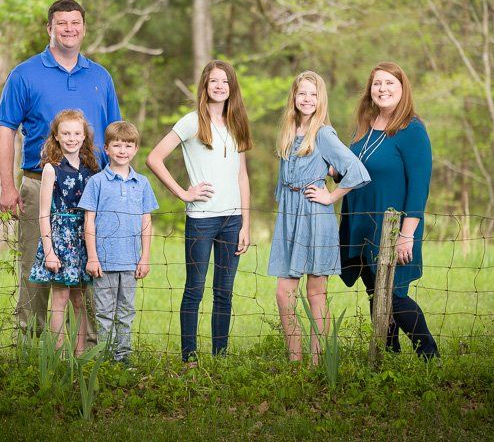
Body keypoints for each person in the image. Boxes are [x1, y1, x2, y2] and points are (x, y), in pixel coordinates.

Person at [0, 0, 121, 334]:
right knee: (34, 265)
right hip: (41, 184)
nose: (69, 29)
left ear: (83, 28)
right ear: (50, 28)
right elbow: (5, 129)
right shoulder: (24, 74)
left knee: (91, 264)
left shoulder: (100, 76)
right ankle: (31, 343)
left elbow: (114, 134)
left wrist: (115, 185)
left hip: (91, 186)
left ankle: (90, 348)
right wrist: (8, 187)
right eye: (62, 23)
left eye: (75, 22)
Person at [146, 60, 253, 364]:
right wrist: (183, 193)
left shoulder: (237, 124)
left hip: (232, 221)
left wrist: (245, 222)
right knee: (194, 289)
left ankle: (220, 358)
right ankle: (189, 358)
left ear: (232, 87)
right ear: (205, 86)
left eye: (225, 82)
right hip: (202, 221)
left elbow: (242, 175)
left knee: (224, 292)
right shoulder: (192, 121)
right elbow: (154, 158)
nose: (219, 87)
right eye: (213, 81)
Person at [338, 62, 440, 359]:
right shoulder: (365, 128)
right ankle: (389, 356)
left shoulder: (412, 130)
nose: (382, 89)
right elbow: (353, 168)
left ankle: (429, 355)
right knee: (375, 293)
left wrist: (406, 235)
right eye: (377, 84)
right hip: (361, 224)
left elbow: (419, 188)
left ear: (402, 88)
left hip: (394, 228)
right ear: (370, 91)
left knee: (394, 295)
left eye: (389, 83)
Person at [268, 70, 370, 363]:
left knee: (316, 292)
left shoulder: (323, 133)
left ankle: (316, 361)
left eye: (314, 94)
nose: (308, 99)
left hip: (315, 214)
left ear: (320, 99)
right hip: (290, 215)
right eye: (303, 93)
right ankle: (295, 358)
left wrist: (331, 195)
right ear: (294, 97)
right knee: (283, 292)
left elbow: (356, 170)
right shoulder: (288, 131)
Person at [78, 121, 159, 363]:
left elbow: (147, 222)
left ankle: (123, 358)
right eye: (117, 145)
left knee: (126, 312)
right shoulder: (97, 183)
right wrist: (92, 257)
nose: (122, 150)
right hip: (104, 261)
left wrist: (145, 258)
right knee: (103, 312)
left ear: (135, 149)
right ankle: (103, 359)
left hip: (131, 261)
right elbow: (89, 222)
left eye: (128, 145)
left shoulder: (142, 183)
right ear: (106, 148)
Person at [27, 109, 98, 354]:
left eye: (77, 133)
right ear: (56, 136)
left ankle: (79, 355)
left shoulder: (90, 168)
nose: (71, 138)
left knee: (79, 300)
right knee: (59, 298)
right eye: (65, 133)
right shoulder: (51, 169)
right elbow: (44, 213)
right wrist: (49, 251)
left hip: (82, 237)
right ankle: (58, 356)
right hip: (60, 239)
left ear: (84, 136)